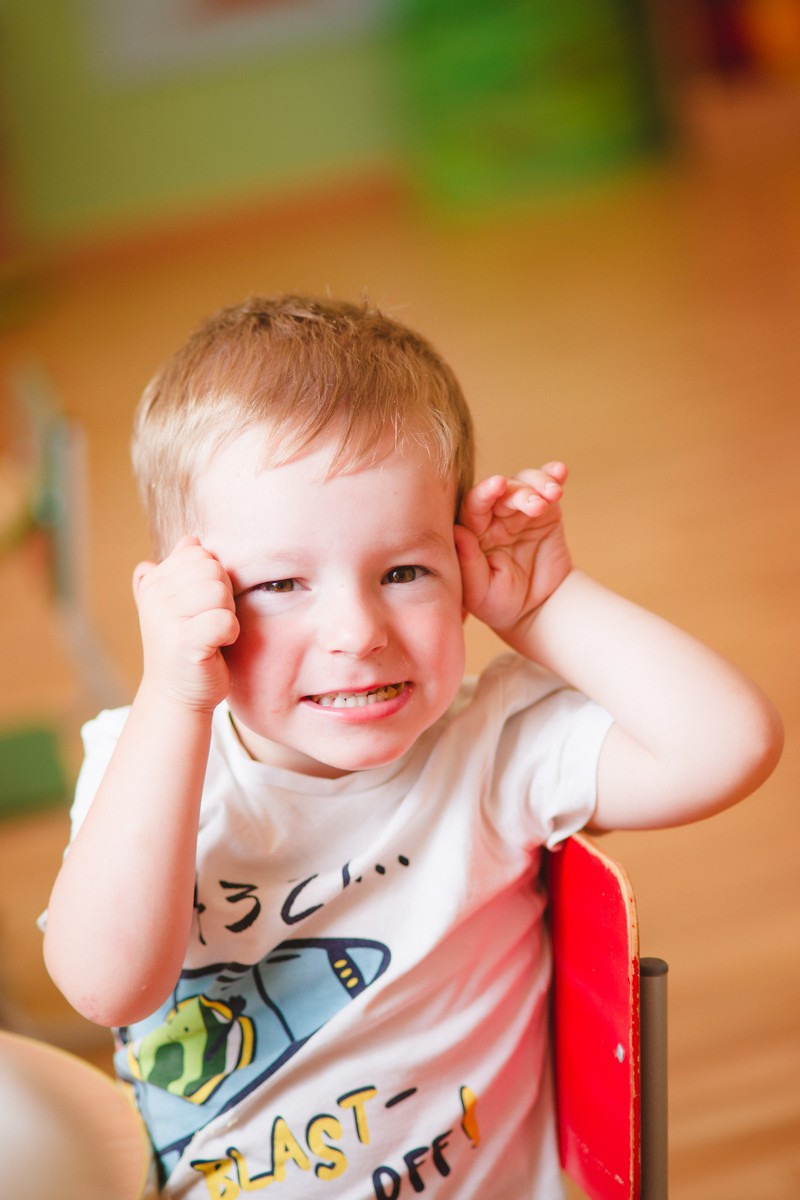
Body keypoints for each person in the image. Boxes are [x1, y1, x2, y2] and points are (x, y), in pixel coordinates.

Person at [43, 295, 782, 1199]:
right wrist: (171, 697)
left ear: (463, 568)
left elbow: (730, 745)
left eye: (403, 572)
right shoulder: (149, 764)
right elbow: (107, 989)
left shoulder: (491, 752)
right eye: (279, 583)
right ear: (185, 604)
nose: (356, 630)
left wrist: (548, 605)